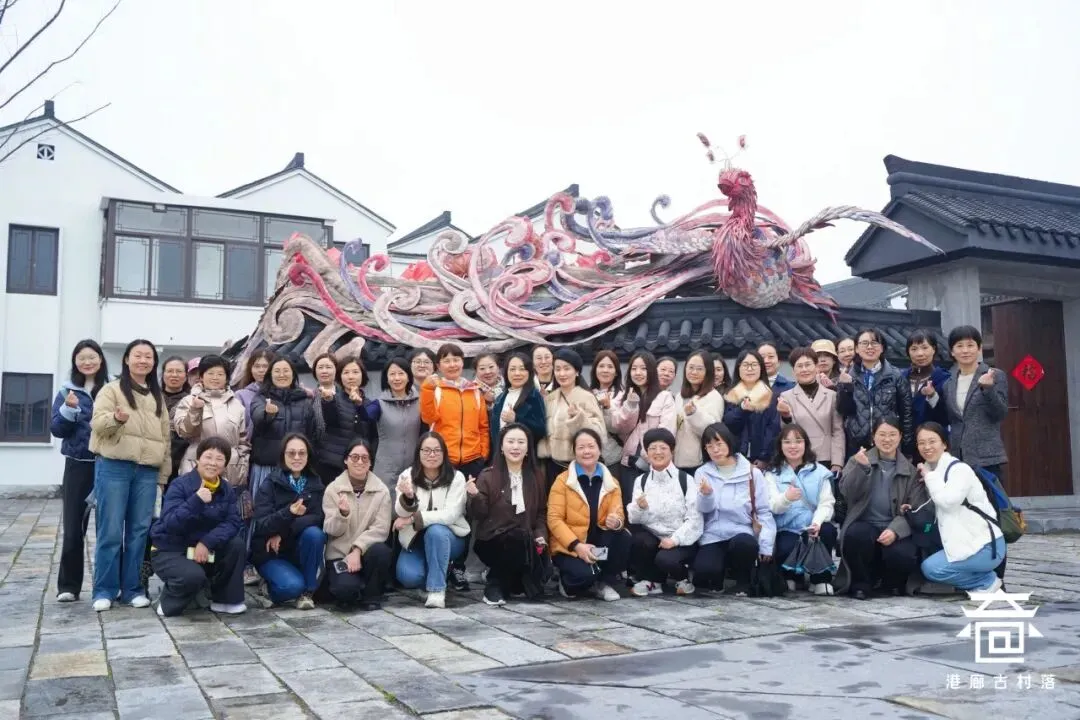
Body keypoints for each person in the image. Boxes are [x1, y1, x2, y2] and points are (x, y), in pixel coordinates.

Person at [89, 339, 172, 611]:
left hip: (147, 472)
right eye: (138, 355)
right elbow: (98, 424)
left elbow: (165, 441)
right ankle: (104, 590)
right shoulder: (111, 390)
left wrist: (163, 477)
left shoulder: (157, 396)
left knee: (139, 532)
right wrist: (117, 419)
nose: (143, 361)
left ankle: (132, 589)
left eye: (148, 356)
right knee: (110, 530)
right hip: (114, 467)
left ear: (154, 363)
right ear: (126, 359)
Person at [150, 436, 247, 617]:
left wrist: (207, 542)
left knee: (236, 545)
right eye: (208, 457)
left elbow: (233, 522)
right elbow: (170, 522)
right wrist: (196, 501)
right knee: (192, 577)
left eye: (219, 459)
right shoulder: (180, 485)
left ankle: (225, 599)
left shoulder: (226, 489)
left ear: (225, 464)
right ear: (198, 459)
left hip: (204, 550)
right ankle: (169, 600)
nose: (213, 463)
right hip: (171, 549)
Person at [419, 343, 489, 591]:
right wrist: (427, 388)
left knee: (467, 513)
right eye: (446, 360)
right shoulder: (436, 388)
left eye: (456, 359)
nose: (452, 364)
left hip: (471, 459)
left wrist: (483, 453)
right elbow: (428, 418)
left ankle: (458, 567)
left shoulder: (474, 390)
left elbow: (483, 426)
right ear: (439, 365)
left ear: (462, 362)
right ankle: (441, 563)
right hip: (444, 459)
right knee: (443, 509)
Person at [835, 416, 926, 600]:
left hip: (893, 526)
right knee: (856, 535)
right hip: (864, 523)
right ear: (873, 436)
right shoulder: (858, 460)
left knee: (903, 553)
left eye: (892, 434)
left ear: (900, 437)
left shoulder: (910, 471)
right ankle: (861, 584)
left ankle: (892, 583)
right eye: (882, 434)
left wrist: (895, 530)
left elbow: (915, 508)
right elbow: (846, 492)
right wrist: (861, 469)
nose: (887, 439)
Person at [50, 339, 109, 602]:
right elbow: (57, 430)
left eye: (92, 357)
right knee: (74, 528)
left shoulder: (113, 388)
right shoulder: (67, 391)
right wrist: (69, 409)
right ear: (75, 361)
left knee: (109, 529)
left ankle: (108, 585)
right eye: (82, 358)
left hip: (109, 464)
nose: (87, 362)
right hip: (78, 465)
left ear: (101, 360)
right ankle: (68, 586)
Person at [914, 423, 1005, 593]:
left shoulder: (959, 470)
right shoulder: (936, 471)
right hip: (966, 543)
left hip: (986, 547)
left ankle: (987, 581)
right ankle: (979, 580)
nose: (927, 447)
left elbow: (948, 502)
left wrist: (929, 476)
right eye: (921, 443)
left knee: (932, 568)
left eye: (932, 441)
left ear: (944, 444)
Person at [467, 424, 548, 606]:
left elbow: (541, 512)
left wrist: (540, 535)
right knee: (515, 537)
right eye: (510, 442)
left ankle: (508, 582)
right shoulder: (488, 476)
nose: (515, 447)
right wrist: (475, 495)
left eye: (521, 442)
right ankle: (494, 585)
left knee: (534, 581)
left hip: (525, 541)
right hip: (491, 541)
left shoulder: (536, 477)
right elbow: (479, 514)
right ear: (502, 447)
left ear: (528, 448)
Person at [547, 428, 630, 601]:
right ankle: (568, 580)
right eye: (581, 447)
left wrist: (616, 522)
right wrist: (577, 546)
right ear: (574, 451)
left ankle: (603, 582)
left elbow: (619, 514)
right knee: (582, 577)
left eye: (591, 446)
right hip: (570, 548)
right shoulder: (562, 481)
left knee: (623, 537)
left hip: (597, 549)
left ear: (599, 450)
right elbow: (554, 519)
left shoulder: (611, 482)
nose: (586, 451)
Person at [693, 423, 775, 596]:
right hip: (713, 533)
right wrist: (707, 495)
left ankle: (743, 580)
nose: (715, 450)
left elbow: (763, 511)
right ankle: (718, 575)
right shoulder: (702, 472)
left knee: (745, 545)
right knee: (704, 570)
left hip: (741, 531)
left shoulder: (752, 473)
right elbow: (702, 509)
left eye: (719, 444)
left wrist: (766, 546)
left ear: (729, 442)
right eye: (709, 446)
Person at [393, 432, 470, 609]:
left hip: (449, 537)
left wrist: (414, 518)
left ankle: (437, 590)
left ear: (444, 453)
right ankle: (438, 574)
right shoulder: (407, 475)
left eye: (437, 450)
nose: (432, 455)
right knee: (408, 576)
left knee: (436, 530)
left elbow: (451, 514)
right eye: (426, 450)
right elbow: (399, 511)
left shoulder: (456, 477)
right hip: (416, 539)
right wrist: (409, 497)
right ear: (418, 452)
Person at [251, 433, 327, 609]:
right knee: (292, 586)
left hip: (298, 548)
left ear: (308, 455)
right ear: (283, 455)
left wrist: (283, 533)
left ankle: (307, 592)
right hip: (271, 552)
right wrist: (289, 512)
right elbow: (262, 524)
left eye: (302, 453)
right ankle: (268, 587)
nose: (297, 457)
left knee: (315, 534)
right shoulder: (271, 483)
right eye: (291, 453)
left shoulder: (315, 483)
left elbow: (317, 517)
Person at [626, 428, 702, 597]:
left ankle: (683, 579)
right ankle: (654, 581)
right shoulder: (641, 481)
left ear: (672, 450)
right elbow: (633, 518)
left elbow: (694, 518)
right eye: (652, 448)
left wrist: (674, 540)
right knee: (640, 541)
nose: (658, 452)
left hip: (681, 539)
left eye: (663, 448)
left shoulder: (685, 479)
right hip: (654, 538)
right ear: (646, 452)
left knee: (665, 559)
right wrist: (640, 508)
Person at [765, 424, 838, 595]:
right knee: (786, 547)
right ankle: (791, 576)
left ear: (806, 444)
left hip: (813, 526)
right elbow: (772, 505)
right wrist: (786, 498)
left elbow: (826, 503)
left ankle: (820, 578)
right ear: (780, 445)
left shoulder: (820, 472)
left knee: (827, 532)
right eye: (787, 442)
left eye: (798, 441)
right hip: (787, 528)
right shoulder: (772, 474)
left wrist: (817, 522)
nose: (793, 446)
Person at [322, 438, 393, 610]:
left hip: (367, 553)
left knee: (381, 551)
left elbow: (381, 529)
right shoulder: (333, 489)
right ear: (346, 460)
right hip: (340, 555)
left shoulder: (381, 491)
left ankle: (371, 596)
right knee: (345, 591)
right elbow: (330, 529)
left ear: (370, 462)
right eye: (354, 457)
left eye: (364, 458)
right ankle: (354, 588)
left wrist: (357, 549)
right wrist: (342, 514)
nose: (360, 462)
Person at [941, 325, 1009, 484]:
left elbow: (1000, 413)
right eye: (959, 346)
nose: (965, 350)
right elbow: (953, 419)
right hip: (959, 458)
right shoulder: (949, 383)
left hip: (987, 457)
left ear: (979, 349)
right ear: (952, 352)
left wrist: (988, 389)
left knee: (990, 499)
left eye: (970, 345)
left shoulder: (994, 375)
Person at [836, 328, 914, 459]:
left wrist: (907, 449)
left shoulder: (896, 376)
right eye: (864, 343)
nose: (870, 347)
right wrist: (846, 387)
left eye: (874, 343)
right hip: (856, 446)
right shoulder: (847, 376)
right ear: (856, 349)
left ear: (882, 348)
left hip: (888, 445)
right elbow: (843, 410)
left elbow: (907, 414)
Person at [249, 356, 319, 502]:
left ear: (293, 374)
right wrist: (268, 414)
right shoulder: (261, 397)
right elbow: (258, 418)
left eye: (286, 370)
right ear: (270, 375)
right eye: (277, 371)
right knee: (264, 509)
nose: (282, 375)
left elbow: (311, 436)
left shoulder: (305, 402)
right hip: (267, 466)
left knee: (295, 509)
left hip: (296, 468)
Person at [611, 351, 677, 501]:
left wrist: (649, 456)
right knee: (630, 504)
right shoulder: (622, 397)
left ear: (652, 371)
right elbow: (619, 427)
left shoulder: (664, 397)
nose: (638, 373)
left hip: (654, 463)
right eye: (634, 369)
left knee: (653, 505)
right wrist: (630, 405)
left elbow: (667, 432)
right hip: (628, 462)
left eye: (643, 368)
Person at [174, 355, 249, 486]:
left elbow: (244, 441)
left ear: (227, 378)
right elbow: (184, 432)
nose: (215, 377)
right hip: (195, 465)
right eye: (210, 373)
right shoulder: (189, 401)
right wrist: (195, 410)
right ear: (201, 377)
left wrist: (241, 464)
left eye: (220, 374)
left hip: (230, 468)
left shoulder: (237, 405)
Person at [537, 349, 607, 490]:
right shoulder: (550, 399)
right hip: (553, 466)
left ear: (577, 372)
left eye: (567, 368)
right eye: (557, 369)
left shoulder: (586, 397)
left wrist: (578, 418)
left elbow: (599, 434)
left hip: (581, 467)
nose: (562, 373)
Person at [313, 355, 379, 486]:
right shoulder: (334, 399)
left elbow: (372, 435)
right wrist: (328, 401)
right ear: (340, 376)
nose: (351, 377)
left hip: (358, 466)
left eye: (355, 372)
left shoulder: (371, 404)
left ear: (363, 375)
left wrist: (359, 405)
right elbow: (330, 420)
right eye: (346, 372)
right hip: (331, 465)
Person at [777, 347, 844, 473]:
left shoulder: (832, 395)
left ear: (817, 367)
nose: (804, 369)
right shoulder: (786, 396)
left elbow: (838, 431)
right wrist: (786, 416)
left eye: (808, 365)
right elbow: (786, 431)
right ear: (793, 371)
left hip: (826, 459)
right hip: (799, 458)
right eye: (799, 366)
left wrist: (837, 463)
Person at [723, 349, 781, 469]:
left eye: (754, 365)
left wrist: (764, 458)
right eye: (745, 365)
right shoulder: (730, 394)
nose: (750, 369)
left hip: (764, 461)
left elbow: (773, 429)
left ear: (761, 368)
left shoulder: (771, 395)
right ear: (738, 368)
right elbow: (728, 424)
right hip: (735, 458)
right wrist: (742, 409)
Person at [373, 356, 421, 497]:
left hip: (414, 466)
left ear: (408, 376)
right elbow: (365, 415)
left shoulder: (421, 401)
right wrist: (358, 403)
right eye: (392, 374)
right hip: (386, 468)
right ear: (386, 378)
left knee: (412, 503)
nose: (397, 378)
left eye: (401, 373)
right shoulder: (378, 403)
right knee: (385, 503)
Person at [673, 350, 725, 474]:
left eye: (699, 369)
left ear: (708, 372)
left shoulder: (714, 397)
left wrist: (693, 414)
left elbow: (711, 432)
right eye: (691, 367)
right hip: (676, 460)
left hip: (700, 462)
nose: (694, 372)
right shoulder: (679, 396)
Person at [489, 352, 547, 459]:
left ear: (529, 372)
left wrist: (516, 419)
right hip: (501, 458)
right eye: (512, 369)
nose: (517, 373)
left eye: (522, 369)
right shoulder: (500, 398)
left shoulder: (534, 396)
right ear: (506, 373)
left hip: (525, 458)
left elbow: (541, 430)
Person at [904, 330, 951, 432]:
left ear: (934, 349)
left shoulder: (944, 378)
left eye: (925, 348)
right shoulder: (900, 378)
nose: (920, 353)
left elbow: (947, 416)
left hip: (932, 437)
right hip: (903, 438)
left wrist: (933, 396)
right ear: (908, 352)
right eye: (914, 349)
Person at [590, 349, 624, 467]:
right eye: (601, 366)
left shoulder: (623, 396)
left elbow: (619, 428)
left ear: (616, 372)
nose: (605, 370)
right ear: (595, 370)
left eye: (610, 367)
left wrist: (607, 407)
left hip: (614, 457)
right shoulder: (587, 394)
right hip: (589, 456)